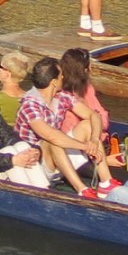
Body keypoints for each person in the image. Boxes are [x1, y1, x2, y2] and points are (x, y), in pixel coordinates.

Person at [14, 58, 109, 194]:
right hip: (37, 165)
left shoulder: (62, 96)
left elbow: (94, 115)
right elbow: (51, 136)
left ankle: (106, 183)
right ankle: (81, 189)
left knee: (88, 125)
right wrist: (86, 147)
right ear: (53, 82)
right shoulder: (30, 105)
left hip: (61, 158)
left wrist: (94, 139)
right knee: (53, 141)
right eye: (61, 76)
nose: (63, 77)